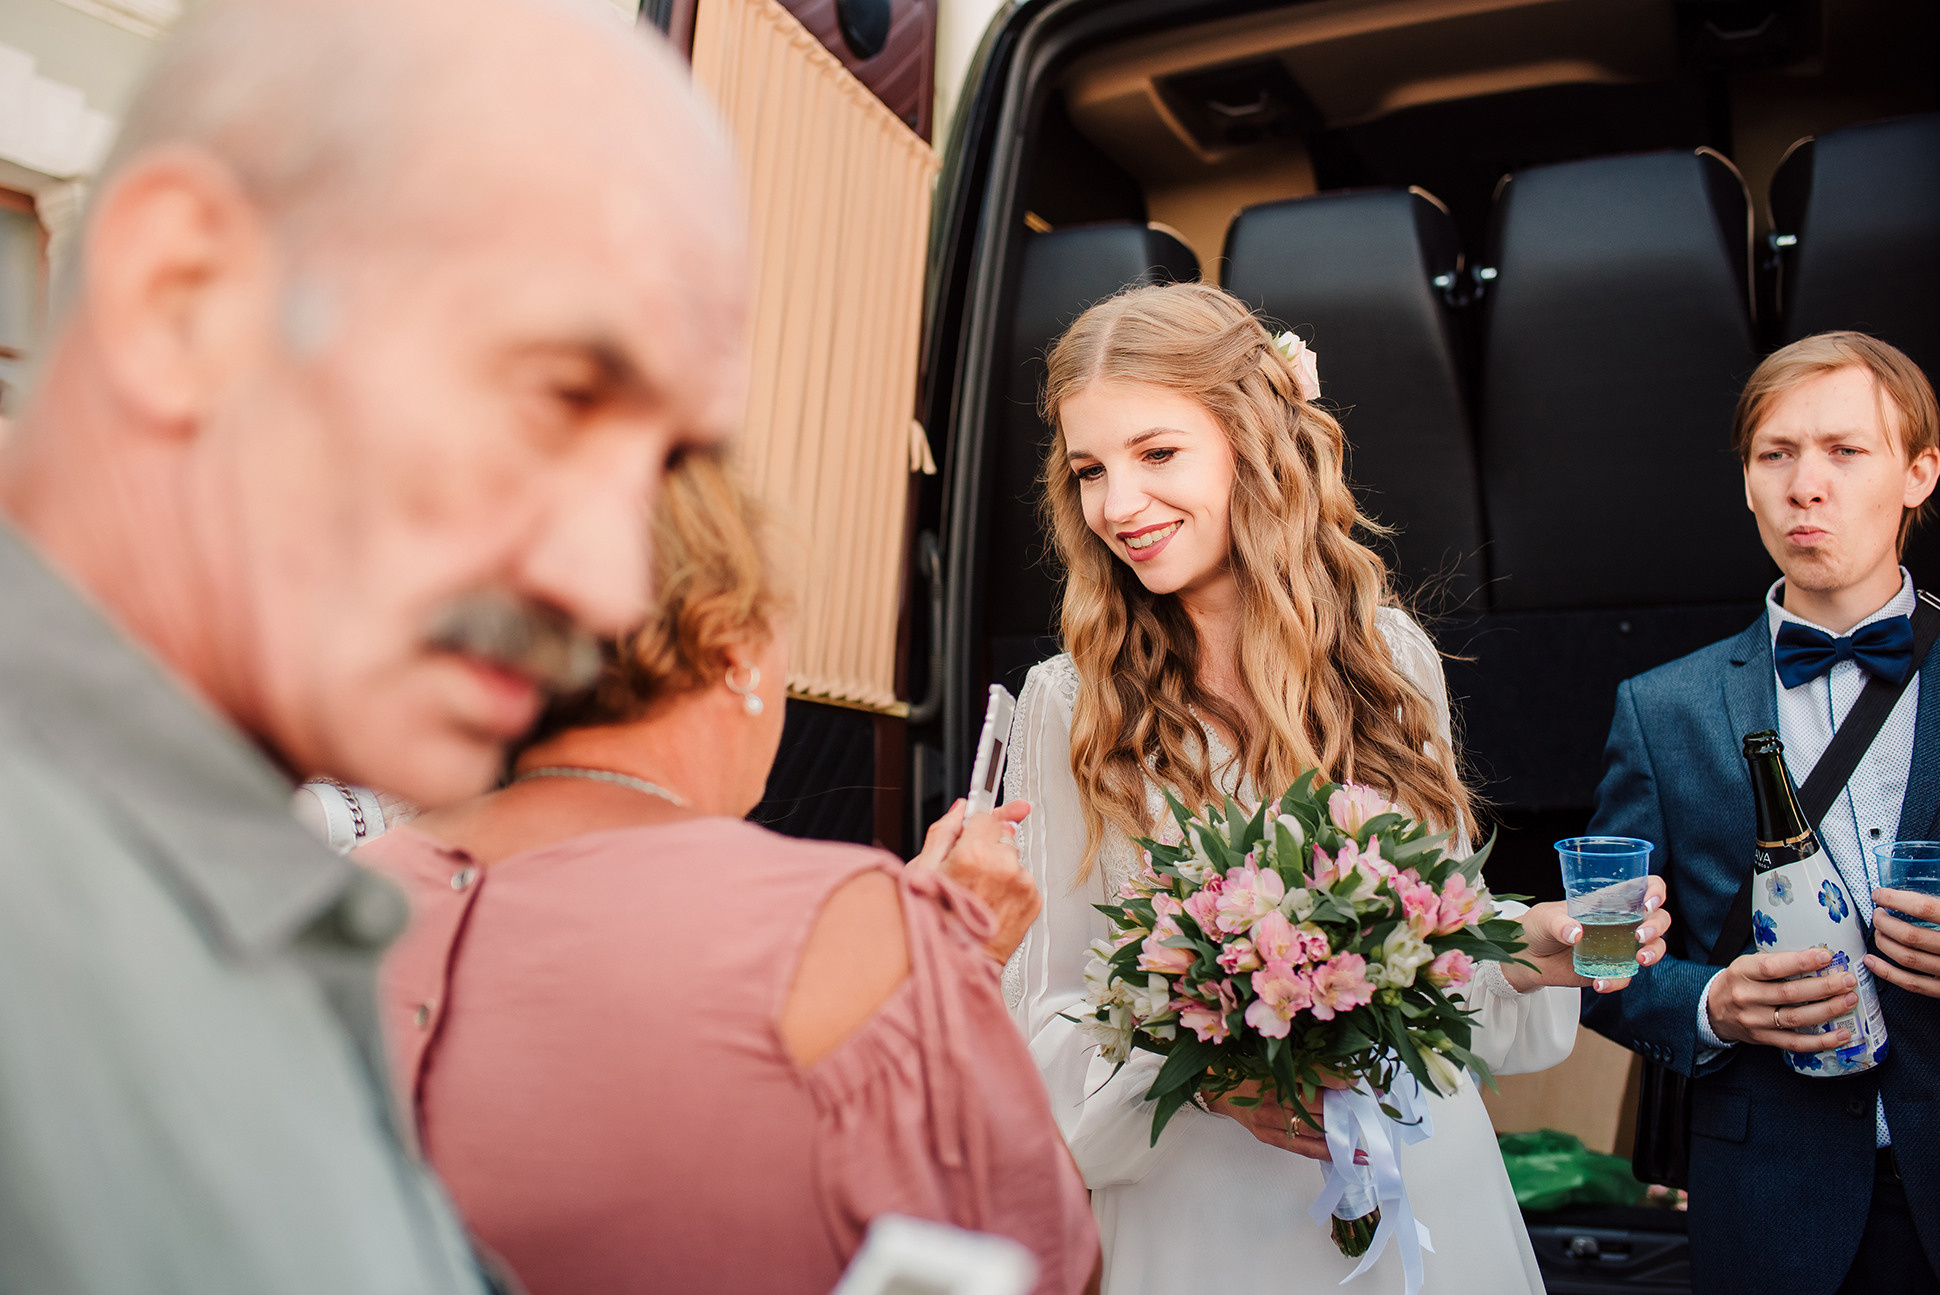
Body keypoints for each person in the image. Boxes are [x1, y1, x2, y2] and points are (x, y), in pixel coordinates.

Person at [0, 0, 746, 1289]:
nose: (615, 587)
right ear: (183, 299)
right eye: (557, 395)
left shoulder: (237, 885)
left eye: (661, 464)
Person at [1004, 281, 1671, 1295]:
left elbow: (1427, 956)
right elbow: (1043, 1003)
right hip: (1201, 1215)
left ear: (1252, 441)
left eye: (1156, 453)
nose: (1118, 506)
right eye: (1089, 469)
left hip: (1415, 1183)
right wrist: (1209, 1080)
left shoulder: (1387, 654)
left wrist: (1523, 949)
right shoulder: (1069, 703)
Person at [358, 452, 1101, 1295]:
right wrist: (957, 956)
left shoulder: (356, 887)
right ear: (733, 648)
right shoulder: (841, 924)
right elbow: (1043, 1258)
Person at [1583, 332, 1940, 1295]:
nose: (1804, 485)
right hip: (1771, 1202)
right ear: (1746, 483)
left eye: (1845, 451)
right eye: (1775, 454)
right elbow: (1599, 960)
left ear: (1918, 472)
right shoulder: (1660, 709)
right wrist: (1712, 1005)